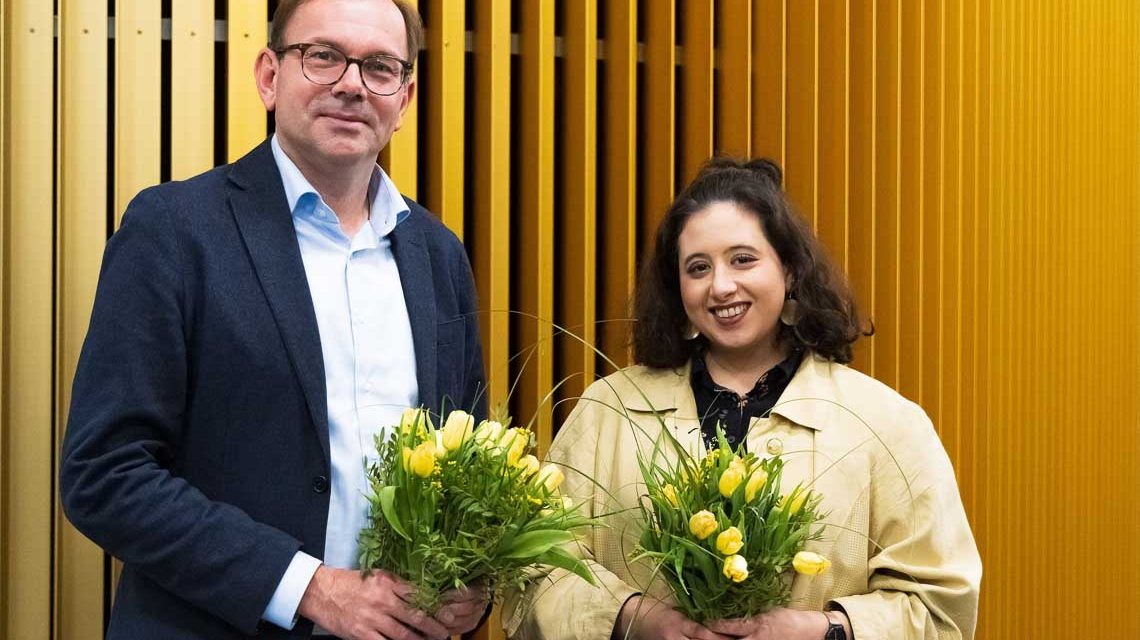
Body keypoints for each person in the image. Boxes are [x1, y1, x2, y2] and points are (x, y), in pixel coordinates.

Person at [59, 1, 489, 638]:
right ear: (269, 75)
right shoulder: (175, 232)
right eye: (323, 56)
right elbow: (105, 472)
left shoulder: (439, 255)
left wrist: (467, 581)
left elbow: (468, 456)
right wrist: (307, 587)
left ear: (405, 97)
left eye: (379, 67)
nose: (351, 84)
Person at [503, 158, 982, 640]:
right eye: (698, 268)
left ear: (790, 270)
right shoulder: (608, 410)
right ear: (678, 289)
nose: (722, 286)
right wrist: (632, 618)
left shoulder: (887, 424)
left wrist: (825, 631)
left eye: (743, 259)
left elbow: (941, 609)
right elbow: (534, 572)